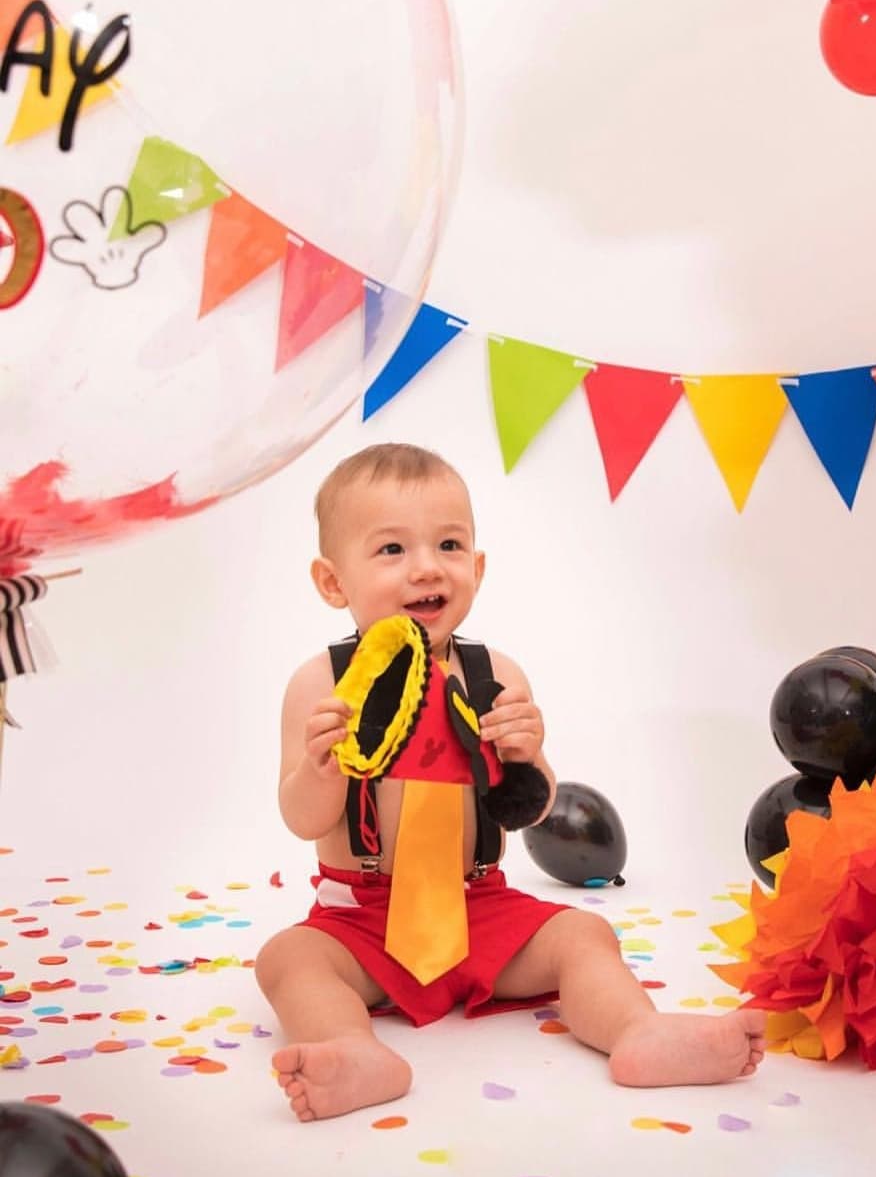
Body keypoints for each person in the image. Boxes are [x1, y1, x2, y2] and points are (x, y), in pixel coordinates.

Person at [255, 442, 766, 1121]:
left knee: (583, 939)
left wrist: (530, 755)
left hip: (480, 906)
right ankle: (353, 1051)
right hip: (361, 919)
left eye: (449, 544)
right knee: (289, 959)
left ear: (478, 566)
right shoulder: (320, 684)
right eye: (391, 551)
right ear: (332, 582)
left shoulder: (496, 674)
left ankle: (636, 1032)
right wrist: (319, 765)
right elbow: (303, 818)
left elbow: (527, 808)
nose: (427, 568)